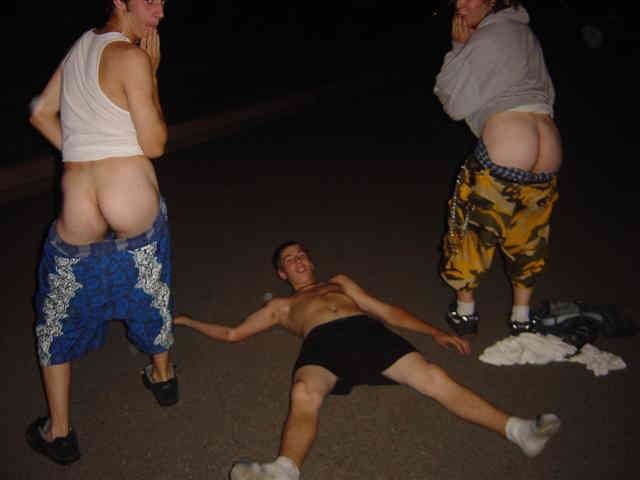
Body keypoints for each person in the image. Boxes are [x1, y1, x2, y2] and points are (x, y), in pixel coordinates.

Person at [175, 241, 562, 480]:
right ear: (282, 272)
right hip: (321, 344)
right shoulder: (281, 305)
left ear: (311, 261)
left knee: (433, 377)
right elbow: (233, 334)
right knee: (304, 391)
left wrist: (434, 332)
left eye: (302, 254)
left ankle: (519, 431)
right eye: (289, 259)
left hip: (366, 333)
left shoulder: (339, 283)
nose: (298, 260)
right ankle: (283, 471)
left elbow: (387, 311)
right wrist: (190, 322)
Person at [26, 0, 176, 466]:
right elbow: (155, 144)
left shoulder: (79, 48)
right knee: (150, 289)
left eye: (163, 2)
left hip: (78, 207)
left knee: (56, 315)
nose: (160, 12)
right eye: (150, 1)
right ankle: (163, 378)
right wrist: (151, 73)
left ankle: (59, 432)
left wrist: (80, 151)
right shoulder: (132, 57)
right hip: (130, 197)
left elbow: (40, 111)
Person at [433, 0, 562, 336]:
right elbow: (547, 93)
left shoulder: (486, 37)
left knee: (470, 228)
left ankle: (465, 312)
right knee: (529, 236)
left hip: (508, 145)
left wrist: (459, 49)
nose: (460, 6)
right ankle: (521, 316)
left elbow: (454, 102)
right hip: (548, 148)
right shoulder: (526, 34)